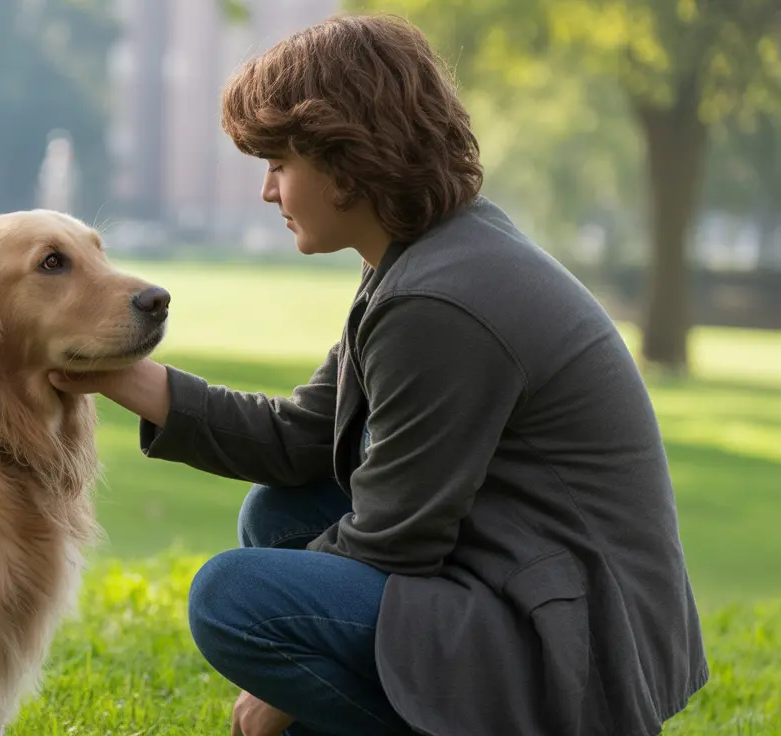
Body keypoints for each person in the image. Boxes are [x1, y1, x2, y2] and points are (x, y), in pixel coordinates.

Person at [50, 12, 709, 736]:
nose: (269, 192)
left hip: (575, 649)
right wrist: (114, 375)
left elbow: (393, 538)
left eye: (279, 164)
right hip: (525, 583)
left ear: (345, 159)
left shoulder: (441, 299)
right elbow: (304, 436)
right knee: (278, 514)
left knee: (229, 599)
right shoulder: (424, 258)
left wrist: (283, 691)